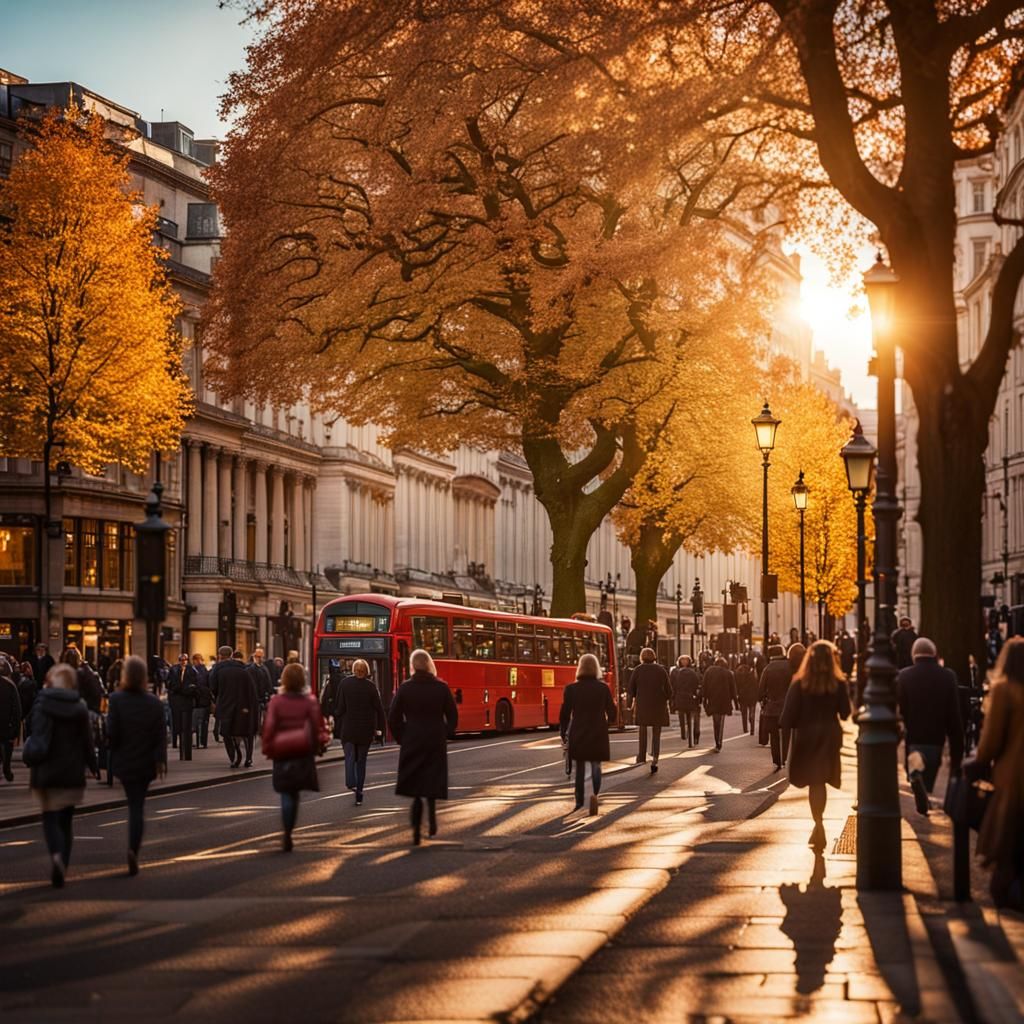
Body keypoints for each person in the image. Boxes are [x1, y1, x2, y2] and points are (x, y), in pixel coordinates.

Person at [23, 663, 99, 888]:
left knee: (49, 818)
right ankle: (63, 866)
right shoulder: (80, 707)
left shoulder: (42, 704)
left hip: (46, 772)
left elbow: (35, 734)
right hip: (72, 771)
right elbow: (88, 742)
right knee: (67, 822)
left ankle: (55, 855)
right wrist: (94, 766)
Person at [781, 640, 852, 850]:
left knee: (814, 782)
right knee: (821, 781)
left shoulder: (799, 684)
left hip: (807, 737)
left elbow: (787, 718)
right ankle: (819, 823)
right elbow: (846, 712)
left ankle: (818, 823)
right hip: (829, 736)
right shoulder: (838, 684)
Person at [388, 649, 458, 845]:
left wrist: (403, 736)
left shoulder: (405, 688)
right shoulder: (441, 688)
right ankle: (433, 822)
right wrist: (445, 732)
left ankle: (417, 829)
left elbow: (393, 717)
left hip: (413, 739)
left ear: (413, 665)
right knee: (431, 781)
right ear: (429, 665)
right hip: (434, 740)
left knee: (416, 785)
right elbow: (453, 716)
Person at [975, 637, 1024, 910]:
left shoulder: (1005, 690)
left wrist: (979, 760)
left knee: (1007, 839)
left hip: (1014, 776)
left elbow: (991, 741)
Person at [107, 655, 167, 875]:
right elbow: (161, 735)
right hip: (146, 761)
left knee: (132, 803)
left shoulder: (116, 699)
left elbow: (111, 733)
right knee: (137, 807)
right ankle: (134, 849)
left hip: (125, 760)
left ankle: (132, 848)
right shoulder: (153, 702)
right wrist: (160, 760)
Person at [261, 662, 329, 851]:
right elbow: (318, 727)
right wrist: (322, 743)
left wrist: (268, 748)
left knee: (285, 790)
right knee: (295, 790)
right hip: (302, 749)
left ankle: (287, 832)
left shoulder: (276, 701)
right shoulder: (310, 701)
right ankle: (289, 831)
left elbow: (269, 727)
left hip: (282, 750)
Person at [896, 636, 963, 815]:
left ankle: (917, 779)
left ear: (914, 654)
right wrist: (957, 748)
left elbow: (900, 709)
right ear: (934, 654)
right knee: (931, 770)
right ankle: (924, 788)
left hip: (914, 735)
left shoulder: (904, 676)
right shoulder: (948, 676)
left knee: (915, 765)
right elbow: (953, 714)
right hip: (936, 736)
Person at [560, 652, 617, 814]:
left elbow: (565, 714)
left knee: (579, 767)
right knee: (596, 764)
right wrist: (607, 723)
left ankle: (579, 800)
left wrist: (563, 732)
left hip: (578, 730)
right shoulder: (603, 688)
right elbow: (612, 712)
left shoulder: (571, 689)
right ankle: (594, 794)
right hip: (598, 730)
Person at [336, 659, 386, 805]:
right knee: (361, 762)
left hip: (349, 729)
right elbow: (379, 710)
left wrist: (334, 719)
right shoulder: (371, 687)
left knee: (350, 757)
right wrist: (381, 731)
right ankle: (359, 792)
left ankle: (350, 782)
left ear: (353, 669)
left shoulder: (344, 684)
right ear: (367, 671)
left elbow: (340, 708)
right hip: (365, 730)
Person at [210, 646, 259, 768]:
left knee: (228, 732)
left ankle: (234, 757)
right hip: (243, 705)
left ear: (220, 656)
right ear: (231, 655)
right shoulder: (244, 670)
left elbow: (212, 687)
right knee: (246, 732)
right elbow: (252, 689)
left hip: (226, 704)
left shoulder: (218, 670)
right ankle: (248, 758)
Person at [628, 648, 672, 773]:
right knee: (656, 732)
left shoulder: (638, 670)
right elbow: (669, 689)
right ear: (654, 657)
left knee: (643, 729)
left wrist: (629, 704)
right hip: (658, 704)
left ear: (642, 657)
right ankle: (655, 758)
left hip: (643, 704)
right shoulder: (661, 670)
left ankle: (641, 756)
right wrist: (668, 699)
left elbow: (631, 688)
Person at [758, 645, 794, 770]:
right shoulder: (790, 667)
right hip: (788, 706)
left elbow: (761, 690)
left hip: (772, 707)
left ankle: (777, 760)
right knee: (786, 734)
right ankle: (785, 757)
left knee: (774, 735)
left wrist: (763, 699)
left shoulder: (768, 669)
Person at [702, 656, 737, 752]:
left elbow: (704, 686)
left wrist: (704, 700)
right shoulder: (728, 673)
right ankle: (719, 743)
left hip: (713, 700)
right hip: (724, 700)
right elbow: (733, 689)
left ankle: (716, 741)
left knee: (715, 722)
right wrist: (736, 703)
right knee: (721, 722)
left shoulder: (709, 671)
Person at [166, 653, 199, 750]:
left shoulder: (191, 670)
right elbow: (170, 683)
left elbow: (194, 684)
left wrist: (185, 690)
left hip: (187, 700)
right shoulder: (174, 670)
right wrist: (178, 689)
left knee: (187, 723)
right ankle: (177, 741)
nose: (183, 661)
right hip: (176, 700)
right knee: (177, 722)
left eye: (185, 659)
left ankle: (186, 743)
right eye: (181, 659)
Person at [670, 655, 702, 748]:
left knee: (683, 714)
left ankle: (685, 733)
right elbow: (698, 683)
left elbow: (672, 685)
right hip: (691, 697)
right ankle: (692, 734)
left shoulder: (675, 672)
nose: (684, 662)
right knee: (693, 716)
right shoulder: (694, 672)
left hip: (681, 697)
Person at [0, 658, 22, 782]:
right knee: (7, 749)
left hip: (5, 724)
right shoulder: (10, 685)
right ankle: (6, 768)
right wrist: (15, 730)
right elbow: (17, 710)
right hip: (6, 725)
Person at [191, 652, 213, 748]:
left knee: (195, 722)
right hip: (205, 700)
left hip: (197, 700)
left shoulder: (193, 671)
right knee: (204, 722)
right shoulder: (205, 671)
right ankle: (203, 742)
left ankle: (198, 741)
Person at [734, 656, 759, 736]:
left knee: (744, 713)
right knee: (752, 711)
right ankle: (752, 728)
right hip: (752, 694)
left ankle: (745, 728)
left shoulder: (737, 672)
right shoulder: (751, 671)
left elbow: (736, 684)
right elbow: (756, 683)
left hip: (742, 694)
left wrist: (737, 693)